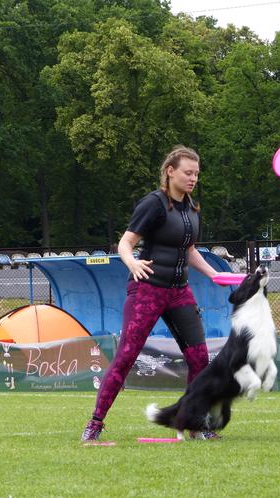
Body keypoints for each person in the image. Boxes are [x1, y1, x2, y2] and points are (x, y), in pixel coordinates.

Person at [82, 146, 220, 442]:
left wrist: (214, 274)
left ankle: (195, 424)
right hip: (148, 290)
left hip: (179, 292)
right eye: (188, 172)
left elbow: (190, 250)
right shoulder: (154, 204)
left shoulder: (191, 208)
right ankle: (94, 424)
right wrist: (131, 262)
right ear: (170, 171)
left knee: (200, 358)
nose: (193, 178)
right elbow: (125, 243)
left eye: (196, 174)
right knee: (126, 357)